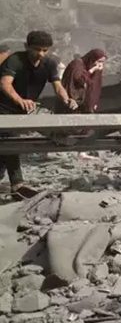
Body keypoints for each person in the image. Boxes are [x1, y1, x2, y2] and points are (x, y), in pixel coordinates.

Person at [0, 31, 79, 198]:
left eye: (45, 50)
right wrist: (20, 100)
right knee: (9, 141)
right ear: (27, 46)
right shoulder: (15, 60)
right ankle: (17, 184)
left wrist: (67, 99)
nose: (41, 54)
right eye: (37, 49)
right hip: (4, 107)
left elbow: (58, 86)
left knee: (5, 147)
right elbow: (5, 84)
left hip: (27, 108)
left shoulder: (49, 63)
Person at [54, 49, 107, 113]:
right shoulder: (77, 64)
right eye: (99, 61)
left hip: (83, 105)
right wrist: (91, 70)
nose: (100, 64)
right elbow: (79, 80)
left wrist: (93, 103)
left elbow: (94, 86)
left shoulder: (94, 67)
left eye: (102, 62)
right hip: (70, 101)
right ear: (92, 59)